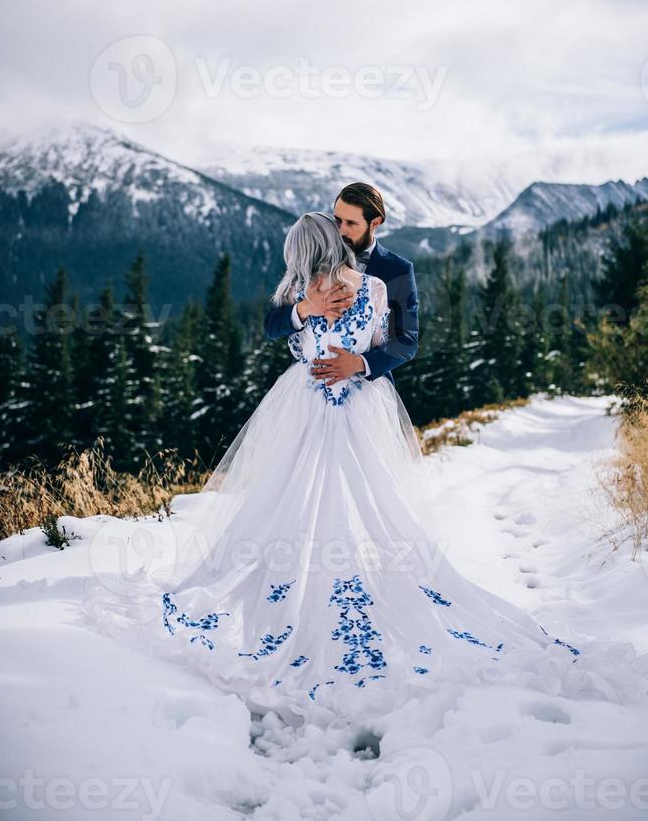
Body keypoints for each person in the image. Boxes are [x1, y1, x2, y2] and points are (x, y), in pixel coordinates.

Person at [82, 208, 648, 729]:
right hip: (357, 403)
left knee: (295, 496)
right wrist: (339, 341)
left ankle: (299, 582)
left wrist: (336, 342)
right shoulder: (369, 288)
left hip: (308, 401)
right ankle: (352, 576)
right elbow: (333, 328)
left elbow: (384, 343)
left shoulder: (322, 284)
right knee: (363, 498)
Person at [263, 182, 419, 389]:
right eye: (337, 220)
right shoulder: (312, 261)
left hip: (366, 392)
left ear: (375, 223)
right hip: (309, 388)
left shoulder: (397, 269)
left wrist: (360, 364)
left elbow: (407, 340)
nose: (341, 231)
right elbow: (271, 327)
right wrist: (304, 308)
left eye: (351, 223)